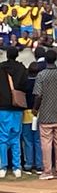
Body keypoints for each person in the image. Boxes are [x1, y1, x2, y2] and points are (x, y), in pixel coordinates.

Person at [33, 48, 57, 179]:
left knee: (46, 143)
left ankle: (47, 171)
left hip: (46, 114)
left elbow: (38, 95)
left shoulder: (41, 75)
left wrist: (35, 109)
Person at [0, 46, 27, 178]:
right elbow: (25, 86)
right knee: (16, 137)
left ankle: (3, 167)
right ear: (17, 55)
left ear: (6, 55)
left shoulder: (1, 68)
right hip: (17, 107)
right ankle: (17, 167)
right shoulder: (22, 68)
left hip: (2, 107)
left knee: (3, 138)